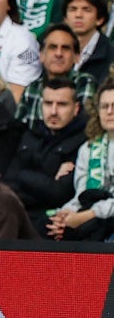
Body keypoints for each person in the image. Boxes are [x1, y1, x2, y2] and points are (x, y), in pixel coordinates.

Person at [5, 76, 88, 234]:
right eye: (48, 103)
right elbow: (8, 185)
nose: (54, 111)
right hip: (19, 220)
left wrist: (22, 176)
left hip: (52, 228)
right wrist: (45, 180)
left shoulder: (83, 142)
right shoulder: (29, 135)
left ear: (76, 108)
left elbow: (59, 194)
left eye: (62, 104)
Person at [48, 81, 114, 241]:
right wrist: (64, 215)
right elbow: (81, 195)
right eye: (105, 106)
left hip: (107, 221)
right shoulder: (88, 148)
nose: (110, 111)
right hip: (92, 217)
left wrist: (86, 216)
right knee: (51, 227)